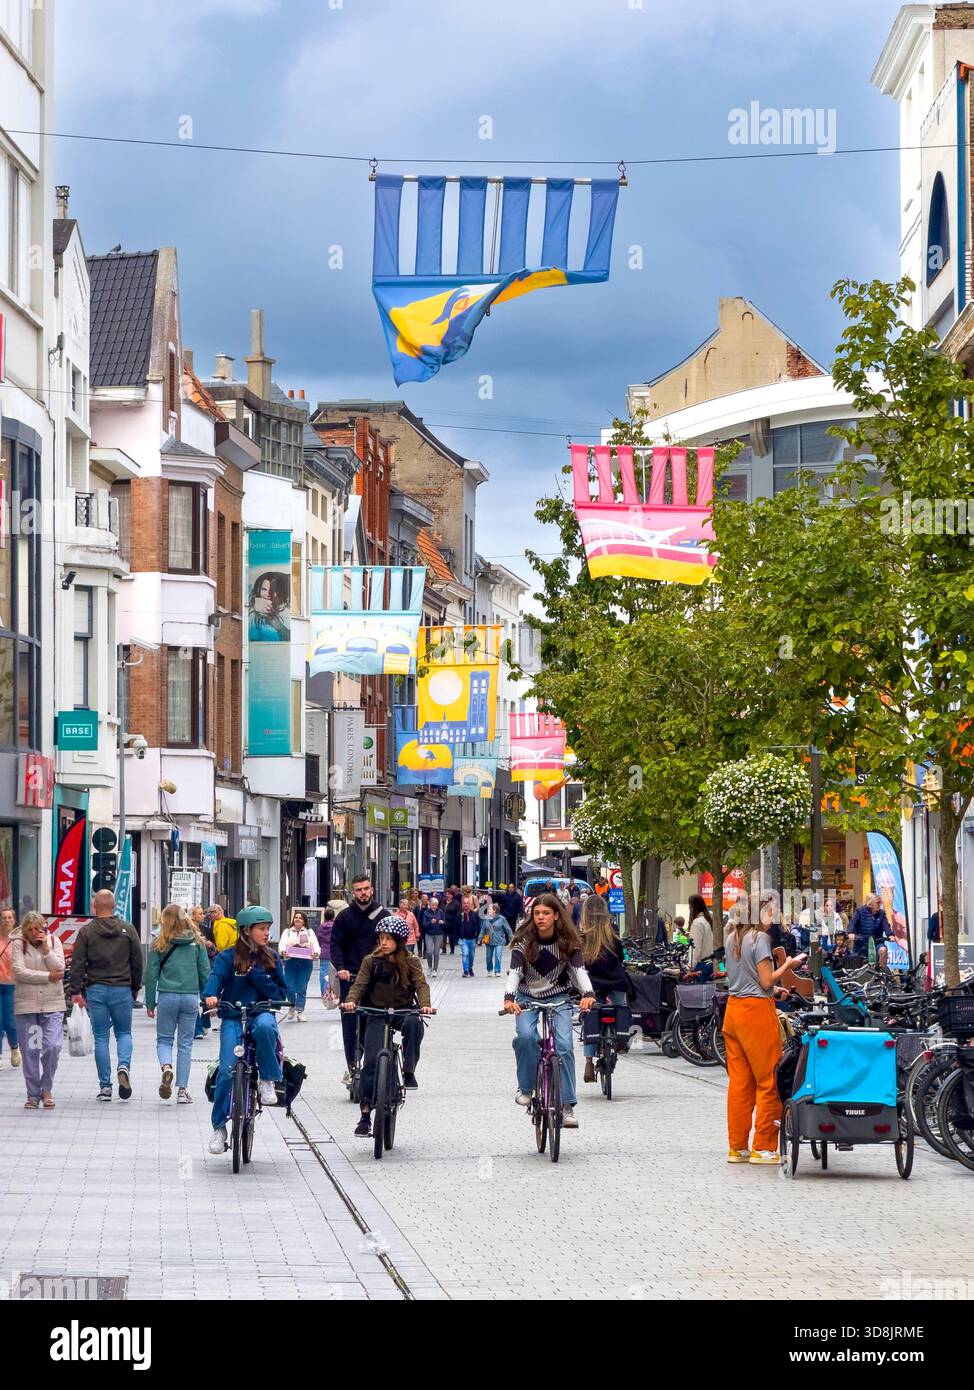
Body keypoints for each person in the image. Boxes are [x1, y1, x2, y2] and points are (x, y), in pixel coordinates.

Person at [723, 899, 806, 1165]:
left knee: (740, 1083)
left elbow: (749, 979)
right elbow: (766, 980)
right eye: (771, 912)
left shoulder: (732, 937)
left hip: (734, 1010)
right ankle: (763, 1146)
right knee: (769, 1078)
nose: (774, 917)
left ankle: (737, 1147)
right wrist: (788, 966)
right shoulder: (759, 938)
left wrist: (772, 990)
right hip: (756, 1014)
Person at [503, 893, 595, 1130]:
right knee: (526, 1037)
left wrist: (588, 994)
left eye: (546, 913)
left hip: (559, 998)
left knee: (564, 1045)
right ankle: (525, 1087)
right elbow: (514, 972)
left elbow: (579, 971)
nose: (541, 917)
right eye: (536, 913)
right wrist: (509, 998)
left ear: (556, 916)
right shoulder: (523, 942)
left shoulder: (568, 942)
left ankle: (567, 1106)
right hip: (526, 999)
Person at [203, 905, 287, 1154]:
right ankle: (219, 1128)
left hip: (260, 1013)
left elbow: (281, 993)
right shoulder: (227, 957)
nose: (266, 933)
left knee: (265, 1028)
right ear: (246, 930)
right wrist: (209, 995)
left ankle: (267, 1080)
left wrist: (257, 975)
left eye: (268, 929)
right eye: (262, 929)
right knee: (227, 1072)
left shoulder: (271, 957)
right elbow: (215, 978)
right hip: (232, 1016)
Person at [342, 914, 434, 1136]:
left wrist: (425, 1005)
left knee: (415, 1025)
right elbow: (359, 984)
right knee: (371, 1062)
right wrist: (351, 1001)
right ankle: (365, 1114)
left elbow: (421, 986)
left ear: (399, 941)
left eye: (388, 939)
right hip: (376, 1013)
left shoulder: (411, 962)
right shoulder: (370, 961)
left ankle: (409, 1069)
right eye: (381, 938)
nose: (383, 943)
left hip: (403, 1012)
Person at [69, 889, 143, 1102]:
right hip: (122, 988)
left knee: (101, 1037)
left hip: (97, 989)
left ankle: (105, 1087)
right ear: (113, 906)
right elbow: (137, 961)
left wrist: (75, 991)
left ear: (94, 907)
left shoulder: (86, 932)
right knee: (124, 1033)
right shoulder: (128, 929)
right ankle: (123, 1066)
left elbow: (77, 963)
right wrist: (135, 987)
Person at [145, 903, 210, 1104]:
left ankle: (167, 1068)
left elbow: (151, 974)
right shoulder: (197, 941)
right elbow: (205, 972)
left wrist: (149, 1002)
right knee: (185, 1045)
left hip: (166, 996)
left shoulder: (159, 941)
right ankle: (182, 1091)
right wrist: (208, 999)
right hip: (190, 997)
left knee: (164, 1040)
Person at [330, 877, 390, 1086]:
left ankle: (373, 1066)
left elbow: (392, 944)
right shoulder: (345, 917)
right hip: (352, 979)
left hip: (376, 979)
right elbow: (336, 945)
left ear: (371, 889)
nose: (363, 893)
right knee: (350, 1025)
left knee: (373, 1023)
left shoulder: (383, 915)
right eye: (359, 890)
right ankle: (353, 1066)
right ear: (352, 893)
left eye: (366, 889)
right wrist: (341, 969)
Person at [12, 912, 65, 1108]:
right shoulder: (19, 944)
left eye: (38, 929)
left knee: (52, 1046)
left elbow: (59, 969)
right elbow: (19, 972)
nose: (34, 933)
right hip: (27, 1006)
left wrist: (46, 951)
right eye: (30, 929)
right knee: (30, 1050)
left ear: (45, 927)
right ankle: (33, 1094)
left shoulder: (54, 941)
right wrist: (47, 977)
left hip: (52, 1004)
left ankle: (47, 1088)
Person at [579, 894, 631, 1084]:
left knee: (590, 1016)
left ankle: (588, 1062)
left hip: (592, 985)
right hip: (615, 981)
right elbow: (621, 959)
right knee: (621, 1005)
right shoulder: (613, 934)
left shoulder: (582, 937)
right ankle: (622, 1038)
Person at [279, 909, 320, 1021]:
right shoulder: (287, 931)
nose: (297, 919)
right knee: (289, 987)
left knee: (301, 987)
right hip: (290, 962)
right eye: (296, 917)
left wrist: (316, 952)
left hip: (305, 962)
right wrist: (283, 952)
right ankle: (292, 1005)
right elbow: (281, 945)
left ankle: (300, 1011)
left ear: (304, 921)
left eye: (300, 918)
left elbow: (315, 945)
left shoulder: (309, 932)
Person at [0, 907, 21, 1070]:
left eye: (9, 918)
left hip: (12, 986)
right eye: (3, 918)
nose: (6, 920)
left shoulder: (18, 940)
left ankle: (14, 1047)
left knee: (10, 1023)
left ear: (14, 920)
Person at [848, 893, 893, 968]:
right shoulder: (860, 911)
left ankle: (882, 972)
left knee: (883, 950)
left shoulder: (881, 913)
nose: (880, 904)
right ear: (870, 903)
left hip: (876, 942)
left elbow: (886, 926)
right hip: (862, 943)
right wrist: (851, 933)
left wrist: (890, 935)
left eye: (880, 903)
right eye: (878, 903)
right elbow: (852, 923)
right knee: (858, 967)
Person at [248, 571, 290, 641]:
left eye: (273, 590)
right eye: (264, 589)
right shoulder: (252, 610)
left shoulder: (284, 611)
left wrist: (272, 619)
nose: (268, 594)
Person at [687, 893, 715, 973]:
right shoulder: (707, 921)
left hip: (700, 966)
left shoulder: (697, 923)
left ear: (693, 907)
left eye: (690, 906)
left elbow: (696, 947)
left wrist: (690, 966)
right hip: (709, 963)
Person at [484, 904, 513, 977]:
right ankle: (489, 970)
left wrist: (511, 938)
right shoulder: (486, 919)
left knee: (498, 955)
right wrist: (479, 938)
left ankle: (497, 971)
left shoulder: (502, 919)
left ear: (494, 911)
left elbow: (508, 929)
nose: (488, 911)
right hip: (489, 940)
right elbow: (483, 929)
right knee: (488, 957)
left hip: (499, 940)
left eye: (490, 909)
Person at [314, 907, 336, 1003]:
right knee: (334, 973)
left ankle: (324, 992)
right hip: (334, 952)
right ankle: (333, 992)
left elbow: (318, 939)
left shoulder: (320, 927)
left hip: (324, 952)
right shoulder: (336, 926)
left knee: (323, 973)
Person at [421, 896, 446, 977]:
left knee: (436, 952)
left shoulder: (440, 912)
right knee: (428, 951)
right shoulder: (426, 912)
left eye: (436, 905)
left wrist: (442, 922)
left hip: (438, 934)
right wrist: (430, 922)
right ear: (430, 905)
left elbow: (445, 924)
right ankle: (429, 967)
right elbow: (424, 925)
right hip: (429, 934)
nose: (434, 907)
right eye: (433, 905)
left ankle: (435, 969)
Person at [459, 895, 481, 977]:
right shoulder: (460, 915)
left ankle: (470, 968)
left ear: (470, 904)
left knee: (471, 956)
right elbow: (456, 926)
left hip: (472, 939)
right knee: (465, 954)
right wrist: (458, 937)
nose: (466, 905)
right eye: (464, 903)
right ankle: (465, 971)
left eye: (467, 903)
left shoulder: (474, 914)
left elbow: (478, 926)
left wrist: (478, 937)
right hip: (463, 939)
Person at [443, 887, 462, 955]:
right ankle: (443, 950)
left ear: (452, 895)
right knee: (443, 937)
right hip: (443, 922)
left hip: (452, 923)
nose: (448, 895)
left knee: (451, 937)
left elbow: (459, 913)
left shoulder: (456, 903)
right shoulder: (442, 902)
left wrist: (455, 921)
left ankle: (452, 950)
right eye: (447, 894)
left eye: (449, 894)